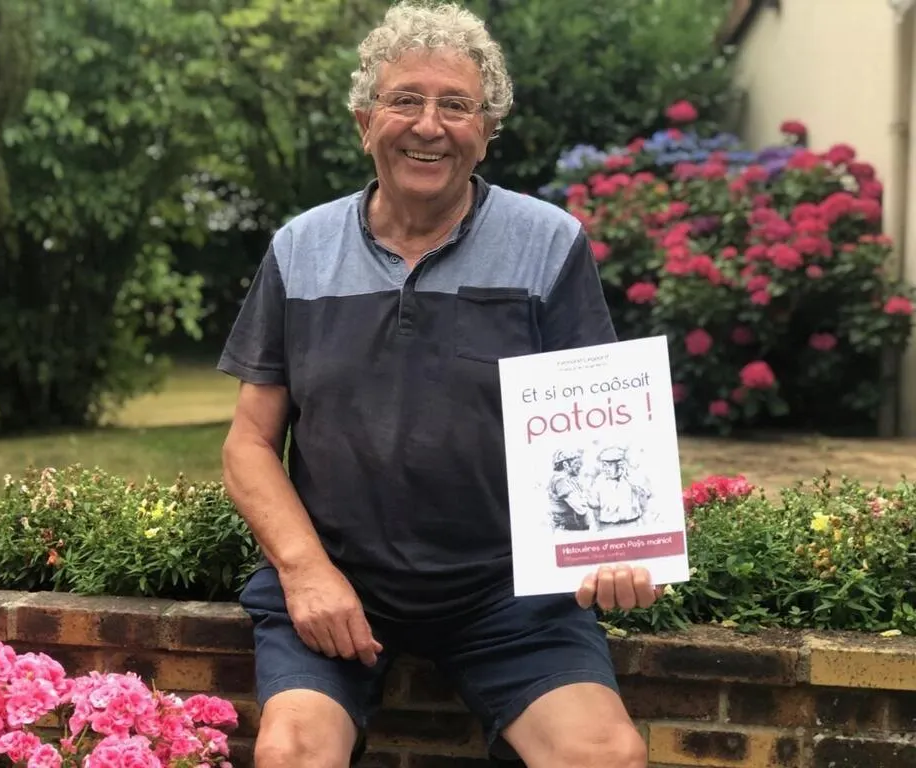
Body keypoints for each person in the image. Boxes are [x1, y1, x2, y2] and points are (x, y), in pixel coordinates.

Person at [218, 2, 661, 766]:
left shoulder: (549, 244)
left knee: (604, 755)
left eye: (456, 105)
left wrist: (613, 548)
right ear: (365, 121)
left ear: (486, 131)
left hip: (508, 591)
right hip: (342, 578)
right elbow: (249, 443)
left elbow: (600, 429)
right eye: (406, 100)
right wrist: (306, 571)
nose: (430, 125)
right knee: (291, 753)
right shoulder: (300, 250)